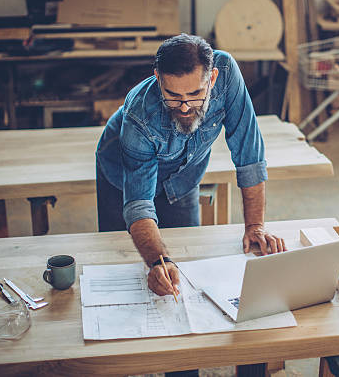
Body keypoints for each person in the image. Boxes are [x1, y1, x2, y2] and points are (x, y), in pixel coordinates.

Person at [96, 33, 286, 297]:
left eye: (195, 94)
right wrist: (158, 262)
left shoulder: (228, 74)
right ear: (158, 78)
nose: (185, 107)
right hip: (121, 177)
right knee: (120, 267)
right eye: (172, 95)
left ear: (213, 78)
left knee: (188, 266)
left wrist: (255, 227)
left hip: (183, 177)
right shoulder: (139, 116)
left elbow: (249, 156)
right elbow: (138, 203)